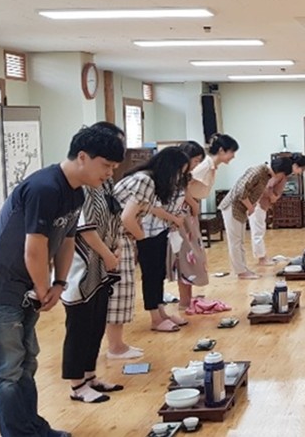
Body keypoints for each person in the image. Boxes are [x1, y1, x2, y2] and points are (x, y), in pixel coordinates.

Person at [0, 126, 123, 436]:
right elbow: (34, 248)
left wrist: (60, 283)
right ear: (82, 157)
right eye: (106, 165)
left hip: (25, 286)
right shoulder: (45, 187)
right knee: (8, 369)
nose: (109, 174)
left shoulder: (75, 191)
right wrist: (43, 288)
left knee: (27, 362)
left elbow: (66, 239)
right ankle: (19, 433)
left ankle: (34, 428)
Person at [61, 122, 128, 405]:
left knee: (97, 323)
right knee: (80, 326)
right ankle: (77, 384)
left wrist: (115, 246)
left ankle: (91, 376)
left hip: (103, 264)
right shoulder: (83, 184)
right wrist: (107, 253)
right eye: (108, 162)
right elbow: (84, 229)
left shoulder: (104, 180)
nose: (111, 169)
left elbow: (112, 215)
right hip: (82, 268)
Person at [105, 147, 190, 357]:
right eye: (179, 171)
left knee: (125, 290)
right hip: (117, 237)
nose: (179, 177)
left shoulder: (147, 180)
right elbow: (127, 218)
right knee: (120, 291)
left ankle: (118, 345)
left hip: (122, 236)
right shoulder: (146, 181)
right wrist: (140, 239)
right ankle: (116, 347)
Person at [249, 153, 305, 265]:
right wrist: (273, 198)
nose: (301, 172)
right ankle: (262, 258)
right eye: (302, 169)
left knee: (259, 230)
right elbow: (268, 187)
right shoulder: (281, 174)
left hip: (260, 204)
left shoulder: (283, 174)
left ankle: (262, 257)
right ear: (296, 166)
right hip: (257, 204)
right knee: (258, 231)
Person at [219, 163, 275, 279]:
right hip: (233, 207)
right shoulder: (257, 172)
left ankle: (243, 269)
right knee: (236, 241)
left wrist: (251, 206)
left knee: (240, 241)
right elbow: (241, 192)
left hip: (241, 208)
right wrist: (250, 208)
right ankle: (241, 271)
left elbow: (252, 193)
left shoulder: (265, 175)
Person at [169, 141, 205, 310]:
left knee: (191, 258)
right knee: (183, 259)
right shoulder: (174, 175)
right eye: (196, 160)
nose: (197, 164)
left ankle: (187, 299)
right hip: (180, 222)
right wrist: (193, 204)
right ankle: (184, 301)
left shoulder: (185, 176)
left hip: (188, 221)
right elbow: (182, 196)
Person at [187, 133, 239, 215]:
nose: (233, 156)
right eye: (232, 152)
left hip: (192, 203)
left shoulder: (211, 166)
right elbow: (182, 187)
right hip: (186, 204)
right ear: (221, 150)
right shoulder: (205, 165)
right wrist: (193, 205)